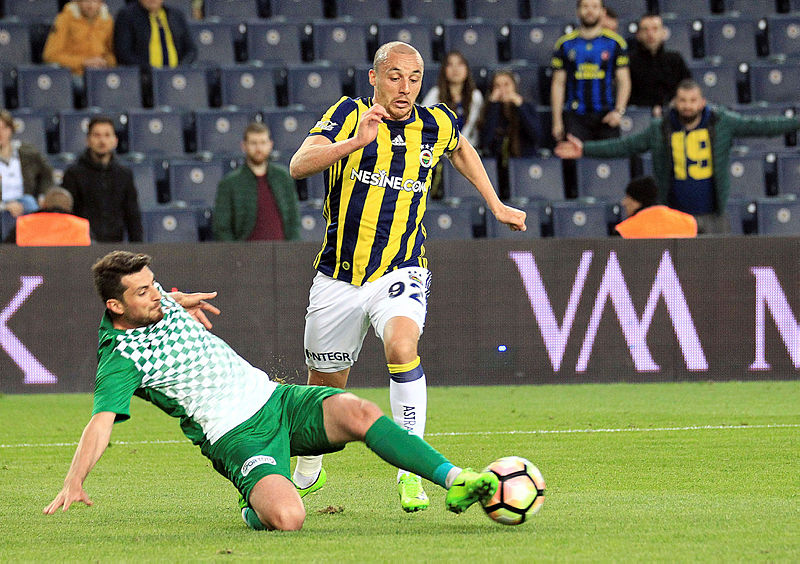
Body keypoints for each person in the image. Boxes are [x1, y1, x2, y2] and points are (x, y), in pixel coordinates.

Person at [43, 250, 501, 532]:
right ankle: (253, 505)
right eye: (143, 293)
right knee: (289, 518)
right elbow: (100, 422)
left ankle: (455, 480)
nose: (155, 295)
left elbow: (162, 295)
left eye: (153, 285)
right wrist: (74, 480)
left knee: (359, 411)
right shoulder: (121, 358)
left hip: (276, 399)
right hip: (237, 436)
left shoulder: (154, 298)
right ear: (115, 305)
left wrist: (181, 300)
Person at [289, 41, 526, 513]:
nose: (405, 87)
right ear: (374, 77)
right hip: (339, 276)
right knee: (325, 388)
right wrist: (355, 143)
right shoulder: (349, 114)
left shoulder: (435, 122)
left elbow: (461, 149)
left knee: (402, 346)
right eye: (395, 76)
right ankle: (309, 468)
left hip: (401, 269)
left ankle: (410, 470)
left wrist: (495, 204)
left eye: (414, 78)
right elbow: (298, 166)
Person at [554, 79, 800, 234]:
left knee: (721, 273)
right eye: (682, 101)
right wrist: (586, 149)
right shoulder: (660, 128)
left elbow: (763, 126)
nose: (687, 106)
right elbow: (626, 146)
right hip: (673, 216)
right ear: (675, 102)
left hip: (714, 215)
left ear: (702, 102)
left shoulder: (721, 122)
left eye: (692, 101)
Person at [551, 0, 631, 142]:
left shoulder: (615, 43)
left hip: (607, 116)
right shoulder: (565, 44)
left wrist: (619, 112)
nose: (590, 11)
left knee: (609, 156)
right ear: (578, 11)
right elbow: (558, 84)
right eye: (585, 6)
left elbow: (624, 81)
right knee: (575, 155)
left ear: (602, 11)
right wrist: (557, 121)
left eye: (594, 6)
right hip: (576, 116)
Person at [213, 122, 300, 241]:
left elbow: (294, 220)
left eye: (263, 142)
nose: (259, 148)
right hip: (245, 251)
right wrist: (234, 251)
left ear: (270, 145)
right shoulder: (229, 183)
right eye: (253, 143)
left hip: (282, 250)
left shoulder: (283, 177)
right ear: (244, 146)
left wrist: (293, 248)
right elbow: (222, 227)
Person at [62, 116, 143, 242]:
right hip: (83, 244)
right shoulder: (73, 174)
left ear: (115, 140)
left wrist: (138, 247)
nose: (102, 140)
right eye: (97, 135)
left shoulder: (124, 174)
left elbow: (132, 214)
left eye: (107, 135)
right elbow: (68, 215)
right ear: (88, 140)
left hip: (115, 245)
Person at [478, 70, 539, 199]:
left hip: (522, 165)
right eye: (497, 86)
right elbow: (485, 141)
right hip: (497, 169)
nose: (502, 90)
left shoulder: (526, 106)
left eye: (506, 85)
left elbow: (537, 135)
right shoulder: (490, 110)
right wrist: (494, 105)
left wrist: (520, 106)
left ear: (514, 87)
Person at [628, 13, 691, 116]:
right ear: (638, 35)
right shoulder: (630, 62)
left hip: (674, 114)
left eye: (655, 29)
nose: (650, 34)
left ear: (663, 33)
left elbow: (687, 87)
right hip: (640, 116)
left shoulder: (675, 59)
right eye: (645, 30)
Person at [421, 51, 483, 147]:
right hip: (440, 149)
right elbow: (421, 121)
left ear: (467, 69)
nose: (455, 69)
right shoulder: (435, 93)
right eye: (450, 65)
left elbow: (477, 128)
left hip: (469, 149)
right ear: (444, 70)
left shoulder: (476, 96)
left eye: (460, 64)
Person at [0, 110, 53, 219]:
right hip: (2, 204)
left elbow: (46, 174)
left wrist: (43, 195)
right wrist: (5, 206)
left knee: (30, 202)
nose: (0, 133)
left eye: (4, 128)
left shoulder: (27, 153)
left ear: (11, 129)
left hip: (24, 201)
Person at [113, 0, 197, 68]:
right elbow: (123, 53)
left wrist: (181, 67)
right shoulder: (127, 16)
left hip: (175, 74)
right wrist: (150, 70)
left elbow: (191, 50)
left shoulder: (176, 15)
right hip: (144, 76)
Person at [42, 0, 116, 76]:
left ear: (101, 3)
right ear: (78, 2)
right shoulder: (64, 19)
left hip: (99, 73)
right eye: (86, 1)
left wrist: (105, 62)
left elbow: (111, 54)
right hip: (73, 73)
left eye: (95, 1)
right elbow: (50, 56)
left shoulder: (108, 21)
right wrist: (83, 62)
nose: (91, 6)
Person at [615, 176, 697, 238]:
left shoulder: (624, 230)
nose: (623, 202)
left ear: (636, 201)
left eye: (627, 197)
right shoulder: (688, 221)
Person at [6, 187, 91, 246]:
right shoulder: (82, 225)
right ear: (69, 207)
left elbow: (6, 249)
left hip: (29, 266)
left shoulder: (24, 223)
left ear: (43, 204)